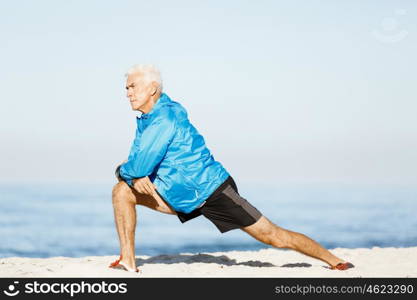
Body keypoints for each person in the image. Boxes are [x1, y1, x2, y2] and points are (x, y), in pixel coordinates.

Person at [110, 64, 354, 273]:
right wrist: (132, 177)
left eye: (133, 87)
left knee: (273, 236)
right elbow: (138, 161)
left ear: (152, 88)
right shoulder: (149, 119)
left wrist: (126, 171)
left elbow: (138, 164)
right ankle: (128, 261)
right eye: (127, 88)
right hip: (178, 194)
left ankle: (335, 261)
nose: (127, 93)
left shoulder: (165, 118)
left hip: (211, 190)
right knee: (122, 192)